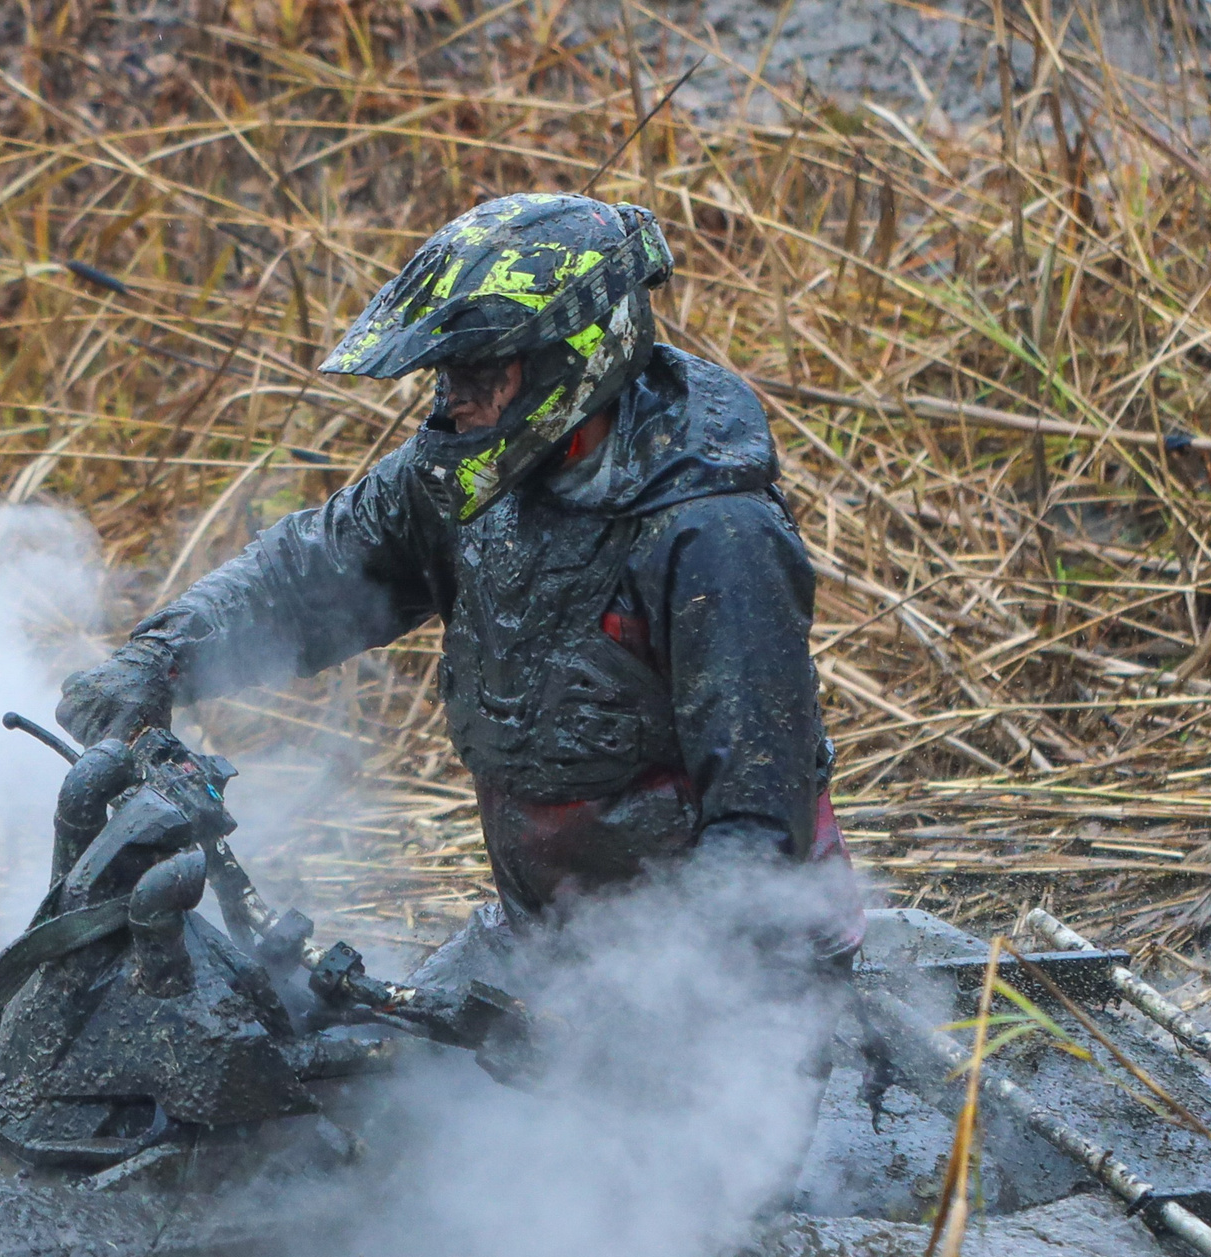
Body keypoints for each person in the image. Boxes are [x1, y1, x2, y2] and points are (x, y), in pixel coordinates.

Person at [55, 191, 858, 982]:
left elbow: (758, 834)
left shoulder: (713, 535)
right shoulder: (467, 478)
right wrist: (158, 659)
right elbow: (305, 578)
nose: (451, 401)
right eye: (444, 373)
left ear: (566, 358)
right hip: (544, 944)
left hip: (740, 977)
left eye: (477, 371)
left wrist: (631, 1009)